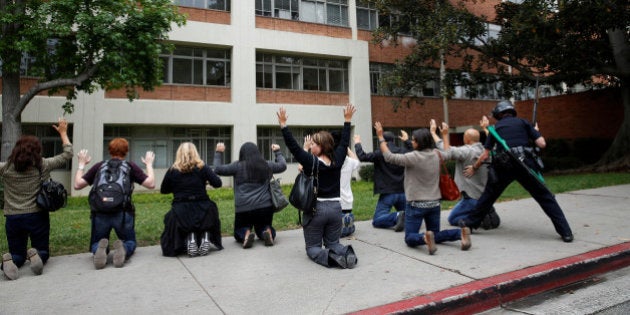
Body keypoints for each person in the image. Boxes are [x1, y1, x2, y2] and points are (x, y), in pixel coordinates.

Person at [459, 100, 574, 242]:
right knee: (545, 197)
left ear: (498, 114)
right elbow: (542, 144)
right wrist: (535, 132)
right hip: (525, 164)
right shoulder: (524, 123)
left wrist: (474, 167)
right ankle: (566, 232)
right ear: (512, 112)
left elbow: (485, 155)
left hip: (503, 167)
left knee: (488, 196)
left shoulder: (495, 128)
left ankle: (469, 224)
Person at [276, 103, 358, 268]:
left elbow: (293, 147)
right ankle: (347, 253)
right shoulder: (338, 159)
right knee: (334, 243)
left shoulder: (310, 161)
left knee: (313, 248)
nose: (310, 145)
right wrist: (347, 120)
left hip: (317, 210)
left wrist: (283, 125)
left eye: (313, 143)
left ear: (322, 146)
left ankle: (332, 259)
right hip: (336, 209)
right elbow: (343, 143)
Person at [375, 122, 471, 255]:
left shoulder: (413, 157)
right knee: (435, 234)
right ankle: (459, 233)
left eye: (413, 140)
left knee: (410, 238)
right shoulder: (437, 154)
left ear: (419, 143)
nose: (412, 142)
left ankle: (424, 237)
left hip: (416, 205)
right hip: (434, 204)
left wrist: (380, 137)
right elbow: (449, 153)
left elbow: (389, 157)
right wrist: (444, 134)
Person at [1, 119, 72, 281]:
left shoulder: (6, 168)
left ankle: (10, 260)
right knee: (43, 251)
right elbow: (68, 154)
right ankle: (36, 255)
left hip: (13, 217)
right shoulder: (43, 165)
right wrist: (62, 133)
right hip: (37, 215)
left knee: (17, 253)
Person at [74, 138, 155, 269]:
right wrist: (149, 164)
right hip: (122, 213)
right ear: (126, 152)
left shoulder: (99, 166)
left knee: (97, 241)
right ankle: (124, 248)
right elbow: (151, 184)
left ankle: (99, 250)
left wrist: (81, 165)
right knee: (130, 241)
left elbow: (78, 185)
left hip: (100, 212)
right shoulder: (130, 166)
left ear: (109, 151)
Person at [430, 117, 500, 229]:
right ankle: (485, 210)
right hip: (485, 195)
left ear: (466, 139)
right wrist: (486, 129)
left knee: (452, 219)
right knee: (472, 205)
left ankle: (478, 219)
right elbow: (495, 144)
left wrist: (434, 133)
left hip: (471, 196)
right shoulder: (488, 152)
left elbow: (447, 152)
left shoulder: (465, 151)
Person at [213, 142, 287, 248]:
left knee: (240, 229)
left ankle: (245, 234)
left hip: (243, 208)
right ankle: (267, 231)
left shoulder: (237, 166)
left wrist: (218, 152)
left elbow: (217, 169)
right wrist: (277, 151)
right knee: (263, 226)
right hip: (265, 206)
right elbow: (282, 166)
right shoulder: (266, 165)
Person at [160, 142, 223, 257]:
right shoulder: (203, 167)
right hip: (203, 207)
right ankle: (204, 235)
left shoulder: (172, 170)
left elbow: (163, 190)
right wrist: (206, 181)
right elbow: (218, 183)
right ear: (195, 153)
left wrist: (177, 187)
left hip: (181, 209)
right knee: (210, 211)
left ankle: (190, 237)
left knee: (174, 219)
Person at [354, 130, 410, 232]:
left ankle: (397, 216)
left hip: (388, 193)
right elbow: (414, 151)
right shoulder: (403, 151)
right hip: (403, 191)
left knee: (378, 220)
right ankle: (407, 217)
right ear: (393, 140)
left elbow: (362, 156)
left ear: (382, 140)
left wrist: (357, 143)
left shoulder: (380, 154)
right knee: (409, 215)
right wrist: (407, 141)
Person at [329, 131, 361, 237]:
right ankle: (346, 225)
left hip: (333, 203)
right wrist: (346, 147)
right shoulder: (349, 161)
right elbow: (356, 161)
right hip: (347, 202)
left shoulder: (329, 160)